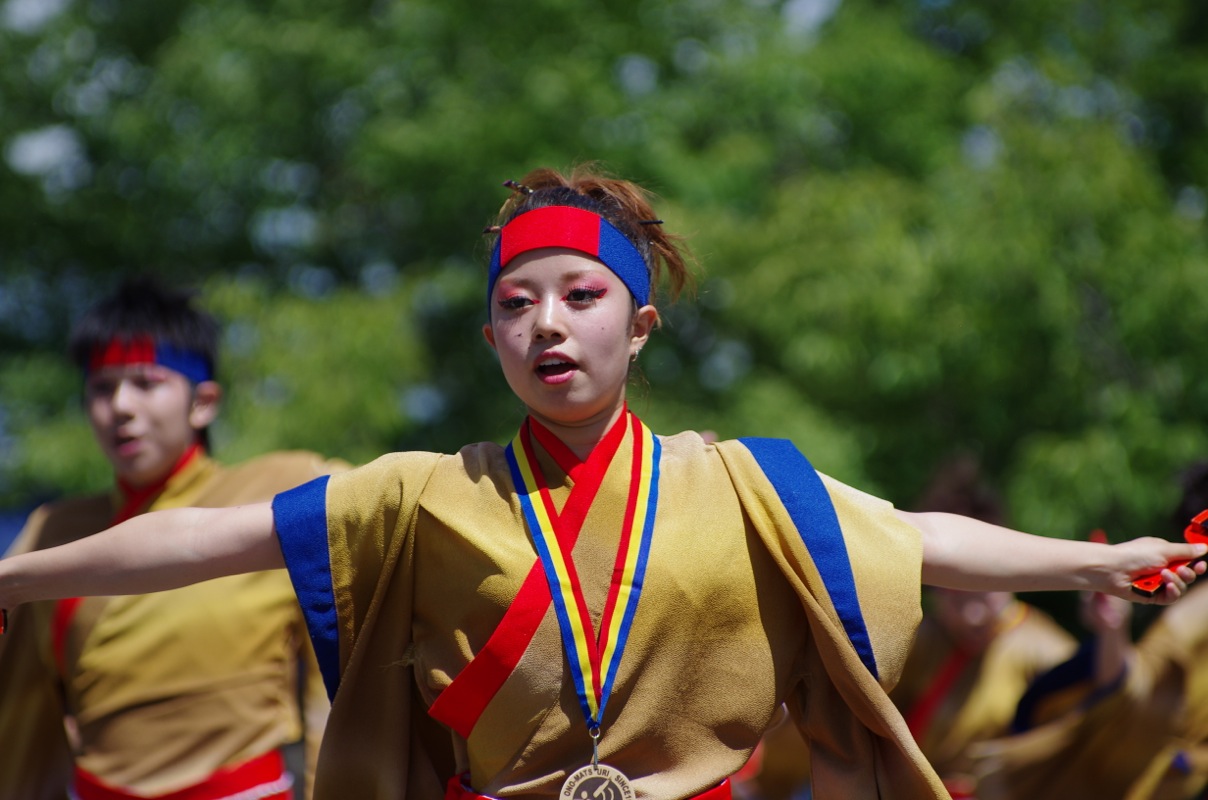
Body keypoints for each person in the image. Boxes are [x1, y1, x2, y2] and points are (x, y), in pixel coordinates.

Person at [0, 167, 1203, 800]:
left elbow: (914, 537)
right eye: (515, 305)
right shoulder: (422, 492)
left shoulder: (735, 482)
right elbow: (201, 541)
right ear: (489, 343)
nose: (546, 325)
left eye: (579, 297)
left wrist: (1099, 557)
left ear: (641, 324)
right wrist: (14, 570)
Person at [0, 278, 342, 800]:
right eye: (100, 387)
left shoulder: (284, 488)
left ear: (203, 403)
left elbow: (344, 673)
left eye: (145, 381)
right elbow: (20, 714)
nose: (120, 406)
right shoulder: (52, 531)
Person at [888, 455, 1078, 798]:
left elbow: (1078, 739)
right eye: (955, 597)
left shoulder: (1048, 651)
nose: (971, 616)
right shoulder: (915, 638)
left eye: (982, 594)